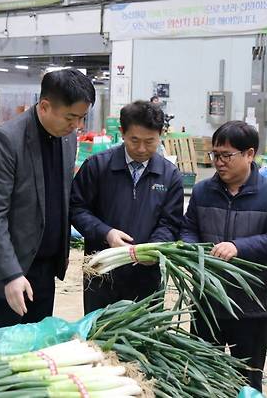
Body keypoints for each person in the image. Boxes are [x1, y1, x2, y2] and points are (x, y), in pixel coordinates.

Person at [0, 69, 95, 333]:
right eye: (71, 117)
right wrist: (10, 275)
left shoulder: (67, 138)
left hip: (45, 267)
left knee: (37, 348)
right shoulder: (6, 141)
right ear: (45, 106)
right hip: (6, 269)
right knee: (4, 353)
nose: (77, 125)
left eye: (81, 118)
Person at [181, 121, 267, 392]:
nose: (219, 162)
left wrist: (238, 247)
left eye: (226, 156)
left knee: (247, 379)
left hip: (252, 306)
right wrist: (194, 253)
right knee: (204, 377)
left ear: (249, 154)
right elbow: (188, 229)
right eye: (215, 155)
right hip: (208, 303)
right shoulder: (202, 191)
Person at [71, 100, 184, 314]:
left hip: (146, 276)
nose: (141, 149)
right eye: (134, 140)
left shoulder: (169, 175)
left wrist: (153, 248)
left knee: (144, 340)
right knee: (100, 339)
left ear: (161, 134)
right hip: (103, 273)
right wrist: (107, 233)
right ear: (122, 133)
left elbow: (171, 222)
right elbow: (77, 209)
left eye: (150, 141)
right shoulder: (98, 167)